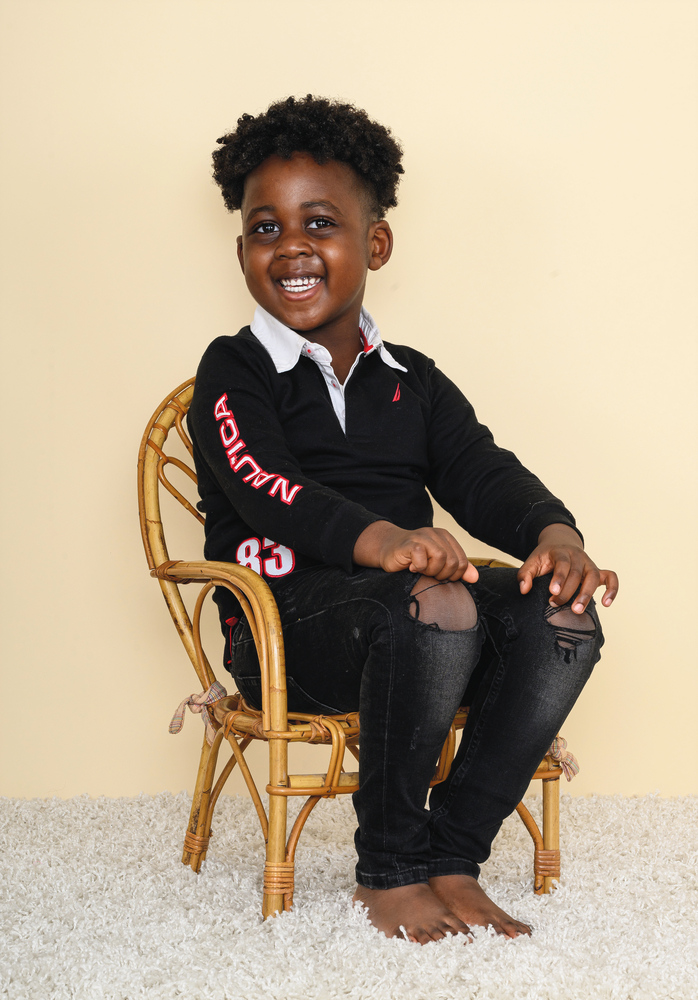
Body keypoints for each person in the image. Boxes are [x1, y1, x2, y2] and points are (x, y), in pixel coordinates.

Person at [188, 95, 618, 946]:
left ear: (375, 244)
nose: (292, 246)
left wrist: (555, 536)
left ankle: (453, 853)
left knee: (562, 614)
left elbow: (481, 471)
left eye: (320, 223)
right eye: (266, 229)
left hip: (423, 623)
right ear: (241, 252)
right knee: (435, 599)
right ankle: (387, 868)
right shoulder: (234, 369)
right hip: (284, 630)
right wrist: (385, 542)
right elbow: (265, 484)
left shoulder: (411, 379)